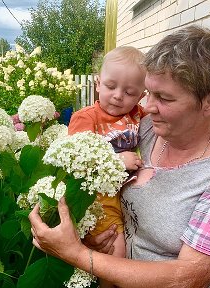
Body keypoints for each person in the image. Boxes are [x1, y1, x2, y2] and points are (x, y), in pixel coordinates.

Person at [29, 25, 210, 288]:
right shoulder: (144, 126)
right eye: (149, 92)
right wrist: (92, 234)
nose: (147, 107)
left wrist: (76, 254)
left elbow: (186, 279)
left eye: (164, 98)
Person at [68, 46, 146, 287]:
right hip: (99, 197)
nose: (118, 96)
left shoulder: (137, 114)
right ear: (98, 84)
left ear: (141, 96)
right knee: (116, 250)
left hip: (125, 194)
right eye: (111, 87)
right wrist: (117, 159)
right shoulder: (86, 117)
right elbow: (77, 158)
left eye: (130, 92)